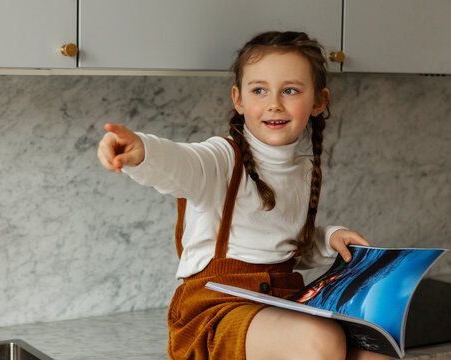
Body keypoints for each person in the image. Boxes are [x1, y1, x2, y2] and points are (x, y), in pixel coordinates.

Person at [97, 31, 388, 360]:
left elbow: (280, 246)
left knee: (376, 355)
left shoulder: (304, 170)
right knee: (321, 339)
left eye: (290, 90)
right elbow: (183, 163)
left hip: (279, 304)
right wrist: (142, 150)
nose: (274, 103)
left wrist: (328, 239)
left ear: (319, 102)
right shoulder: (222, 158)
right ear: (238, 99)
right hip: (214, 313)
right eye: (259, 90)